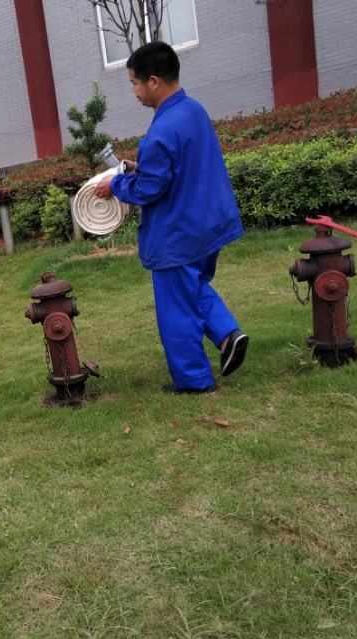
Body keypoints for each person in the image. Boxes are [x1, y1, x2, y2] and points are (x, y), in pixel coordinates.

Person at [93, 41, 248, 394]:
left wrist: (115, 184)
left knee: (176, 309)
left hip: (177, 233)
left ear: (154, 81)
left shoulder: (160, 131)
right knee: (193, 287)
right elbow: (179, 165)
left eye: (134, 83)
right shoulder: (193, 110)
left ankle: (194, 382)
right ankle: (228, 336)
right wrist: (139, 166)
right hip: (207, 225)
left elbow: (148, 189)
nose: (133, 91)